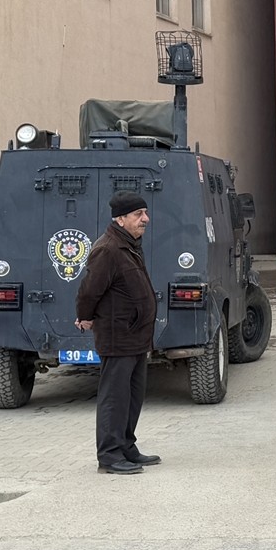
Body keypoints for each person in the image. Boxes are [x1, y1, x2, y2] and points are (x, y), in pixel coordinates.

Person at [75, 191, 160, 475]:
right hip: (118, 335)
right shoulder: (108, 249)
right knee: (115, 397)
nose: (145, 219)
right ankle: (109, 456)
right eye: (138, 215)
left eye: (145, 213)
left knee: (133, 396)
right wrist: (84, 316)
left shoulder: (130, 244)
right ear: (121, 219)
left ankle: (126, 446)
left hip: (135, 336)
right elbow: (90, 289)